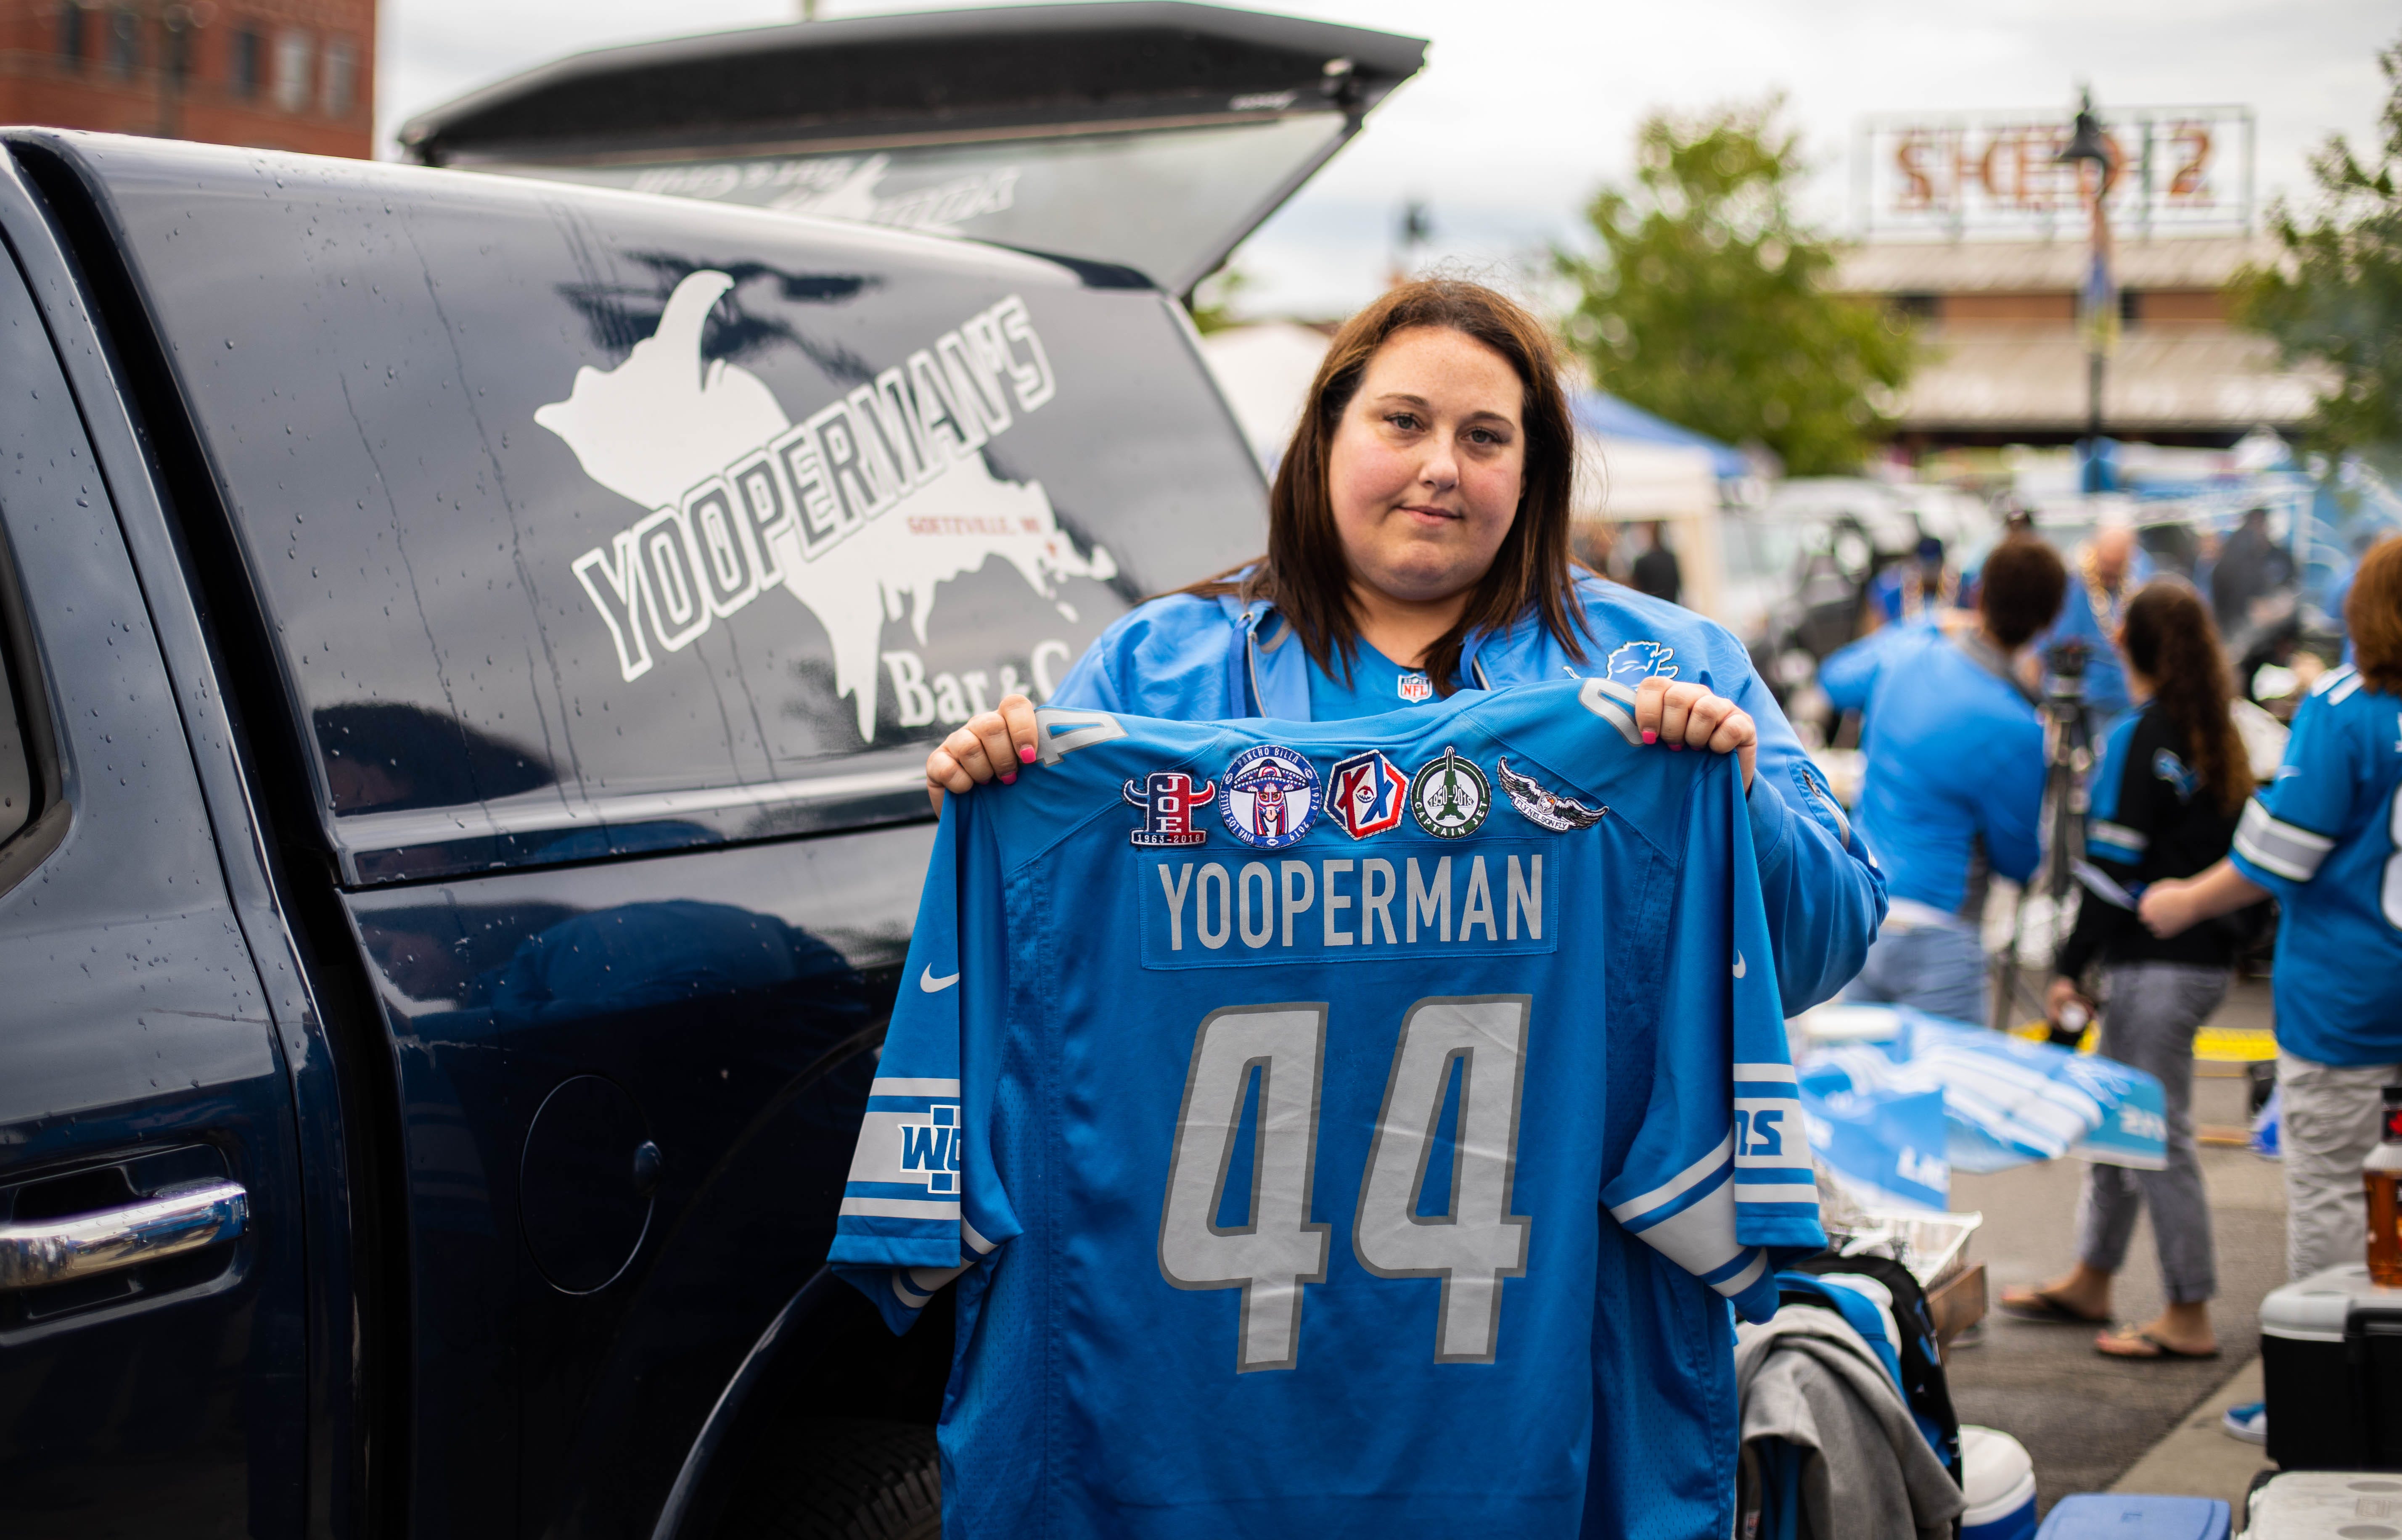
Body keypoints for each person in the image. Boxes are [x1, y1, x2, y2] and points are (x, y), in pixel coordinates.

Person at [921, 278, 1886, 1016]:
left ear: (1531, 471)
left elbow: (1821, 950)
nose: (1439, 468)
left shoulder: (1675, 665)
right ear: (1328, 433)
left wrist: (1745, 801)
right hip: (1227, 1261)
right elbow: (1029, 976)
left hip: (1570, 1260)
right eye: (1404, 422)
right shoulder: (1152, 671)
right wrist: (992, 821)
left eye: (1485, 437)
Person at [2139, 534, 2402, 1447]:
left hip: (2348, 999)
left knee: (2332, 1190)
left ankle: (2322, 1390)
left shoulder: (2343, 710)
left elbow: (2279, 853)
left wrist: (2183, 900)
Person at [1998, 580, 2250, 1360]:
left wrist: (2071, 963)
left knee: (2157, 1131)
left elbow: (2109, 867)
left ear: (2131, 648)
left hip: (2155, 966)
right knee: (2117, 1117)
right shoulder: (2215, 732)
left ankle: (2188, 1309)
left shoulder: (2141, 735)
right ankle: (2092, 1275)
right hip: (2199, 963)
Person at [1819, 536, 2069, 1023]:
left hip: (1861, 911)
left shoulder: (1910, 650)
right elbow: (2019, 862)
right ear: (2048, 622)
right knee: (1938, 1095)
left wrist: (1930, 622)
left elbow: (1834, 678)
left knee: (1860, 1087)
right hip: (1940, 932)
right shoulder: (2019, 726)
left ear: (1978, 595)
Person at [2049, 520, 2149, 732]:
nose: (2111, 570)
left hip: (2129, 698)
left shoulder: (2137, 585)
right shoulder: (2076, 588)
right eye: (2108, 562)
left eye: (2118, 563)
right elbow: (2061, 640)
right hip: (2092, 699)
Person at [2210, 505, 2294, 639]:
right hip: (2238, 633)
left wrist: (2272, 607)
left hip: (2274, 632)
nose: (2256, 529)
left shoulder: (2281, 557)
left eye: (2260, 523)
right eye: (2252, 523)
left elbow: (2292, 591)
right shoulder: (2232, 562)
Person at [1631, 520, 1682, 605]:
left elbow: (1637, 590)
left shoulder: (1643, 562)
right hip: (1671, 607)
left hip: (1651, 608)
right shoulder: (1673, 559)